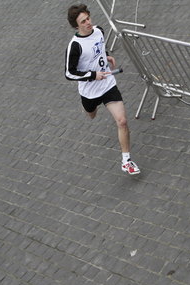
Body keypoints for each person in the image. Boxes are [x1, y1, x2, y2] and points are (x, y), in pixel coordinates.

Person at [65, 3, 140, 175]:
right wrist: (92, 75)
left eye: (88, 18)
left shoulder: (99, 30)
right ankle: (88, 107)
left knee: (122, 121)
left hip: (107, 84)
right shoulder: (74, 46)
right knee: (91, 115)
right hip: (89, 91)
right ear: (76, 26)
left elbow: (98, 47)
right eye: (83, 22)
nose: (88, 23)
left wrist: (106, 55)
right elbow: (69, 73)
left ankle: (126, 160)